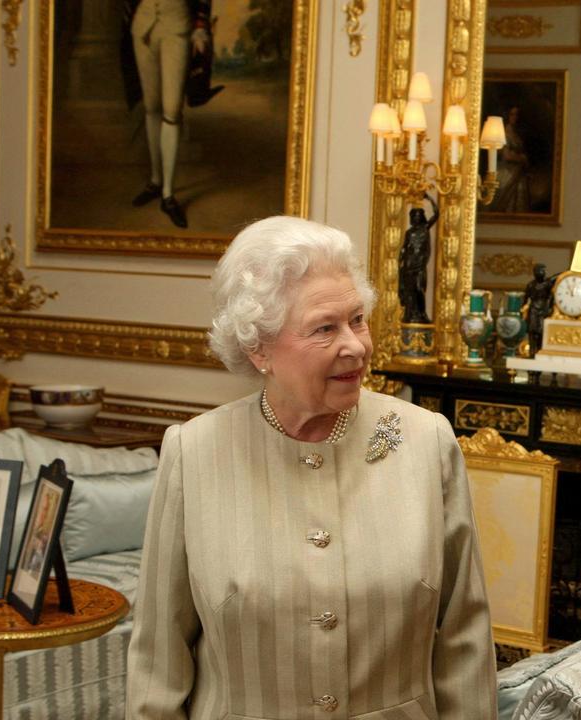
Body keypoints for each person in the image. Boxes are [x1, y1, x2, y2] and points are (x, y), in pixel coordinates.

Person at [126, 216, 497, 719]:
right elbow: (158, 661)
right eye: (325, 328)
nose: (356, 346)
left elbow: (465, 638)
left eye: (357, 319)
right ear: (259, 347)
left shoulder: (425, 442)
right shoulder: (194, 452)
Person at [121, 0, 212, 229]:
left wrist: (200, 25)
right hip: (142, 26)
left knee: (171, 111)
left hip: (177, 26)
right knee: (151, 107)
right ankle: (155, 181)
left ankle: (168, 195)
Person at [398, 198, 438, 324]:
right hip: (409, 264)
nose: (416, 218)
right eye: (414, 215)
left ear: (421, 217)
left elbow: (437, 214)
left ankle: (422, 313)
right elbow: (405, 247)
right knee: (410, 292)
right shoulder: (409, 232)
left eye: (418, 215)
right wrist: (401, 259)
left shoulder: (425, 228)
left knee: (419, 288)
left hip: (419, 265)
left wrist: (429, 198)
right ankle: (410, 314)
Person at [523, 263, 555, 356]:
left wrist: (549, 307)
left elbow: (551, 296)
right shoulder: (531, 285)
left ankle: (540, 350)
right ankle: (532, 352)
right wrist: (523, 308)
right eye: (540, 271)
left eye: (543, 271)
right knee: (532, 331)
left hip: (544, 309)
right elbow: (526, 298)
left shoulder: (547, 284)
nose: (542, 273)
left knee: (542, 331)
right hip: (533, 309)